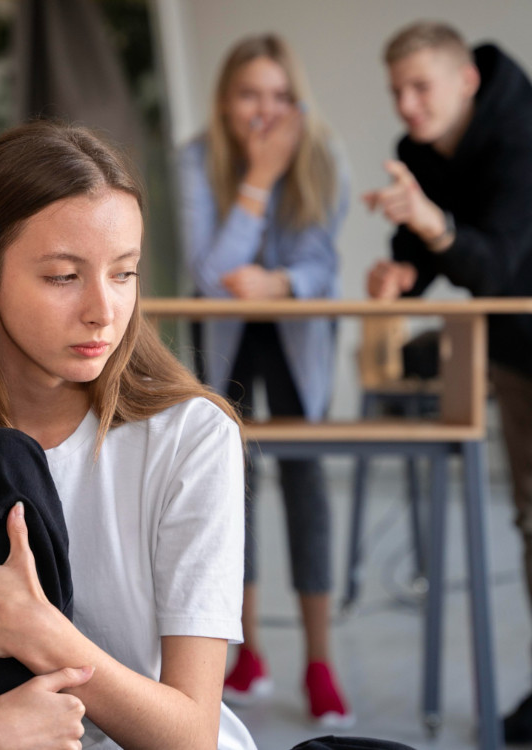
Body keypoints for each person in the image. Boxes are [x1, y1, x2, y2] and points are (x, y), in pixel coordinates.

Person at [0, 120, 257, 749]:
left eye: (123, 273)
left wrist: (34, 630)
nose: (103, 310)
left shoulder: (192, 437)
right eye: (64, 276)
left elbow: (193, 736)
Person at [362, 21, 532, 745]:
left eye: (420, 87)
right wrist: (402, 271)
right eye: (397, 90)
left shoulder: (522, 135)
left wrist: (432, 227)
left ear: (465, 80)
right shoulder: (417, 152)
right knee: (531, 519)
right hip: (517, 352)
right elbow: (429, 254)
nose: (406, 105)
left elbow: (495, 267)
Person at [177, 34, 353, 727]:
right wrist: (256, 180)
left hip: (298, 336)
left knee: (306, 483)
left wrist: (278, 281)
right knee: (229, 485)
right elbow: (207, 272)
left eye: (280, 96)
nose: (265, 110)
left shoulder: (323, 154)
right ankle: (242, 651)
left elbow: (323, 268)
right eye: (250, 94)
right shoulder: (197, 159)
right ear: (224, 101)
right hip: (225, 341)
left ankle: (319, 661)